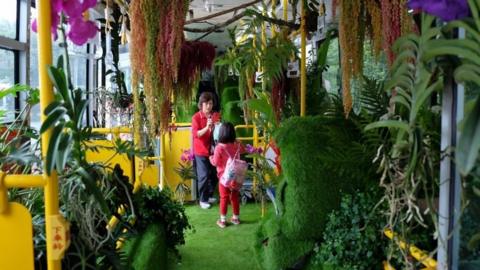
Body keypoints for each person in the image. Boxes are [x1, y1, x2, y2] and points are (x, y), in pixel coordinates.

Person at [209, 122, 245, 228]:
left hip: (224, 178)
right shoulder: (237, 144)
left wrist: (211, 158)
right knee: (234, 197)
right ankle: (236, 218)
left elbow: (215, 162)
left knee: (224, 197)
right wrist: (238, 142)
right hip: (236, 177)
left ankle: (223, 220)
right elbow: (243, 150)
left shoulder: (219, 147)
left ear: (221, 133)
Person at [192, 92, 221, 209]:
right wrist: (207, 127)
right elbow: (196, 134)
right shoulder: (196, 117)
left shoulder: (215, 115)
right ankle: (202, 200)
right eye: (206, 103)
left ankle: (208, 195)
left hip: (213, 150)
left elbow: (218, 131)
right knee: (203, 176)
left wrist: (217, 126)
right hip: (200, 151)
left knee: (215, 174)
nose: (209, 106)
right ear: (201, 104)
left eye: (210, 103)